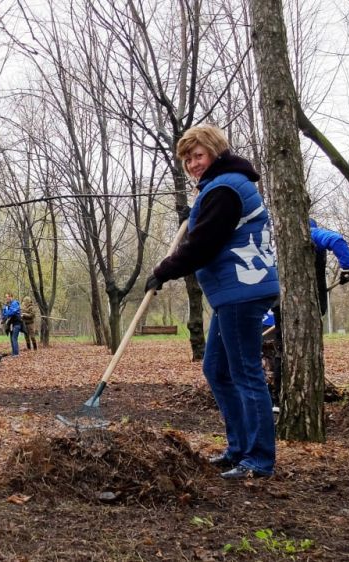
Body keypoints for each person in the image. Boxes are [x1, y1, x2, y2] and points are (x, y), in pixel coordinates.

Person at [144, 124, 279, 479]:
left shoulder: (226, 189)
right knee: (216, 369)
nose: (192, 163)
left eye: (198, 155)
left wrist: (163, 270)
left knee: (246, 373)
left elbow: (203, 245)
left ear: (215, 152)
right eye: (187, 159)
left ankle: (259, 460)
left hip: (243, 288)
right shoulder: (223, 187)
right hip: (234, 291)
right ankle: (239, 449)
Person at [264, 219, 349, 404]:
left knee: (283, 349)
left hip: (279, 303)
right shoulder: (310, 233)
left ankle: (280, 399)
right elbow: (336, 240)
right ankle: (300, 398)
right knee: (302, 350)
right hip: (306, 304)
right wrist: (346, 268)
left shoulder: (277, 243)